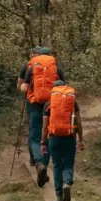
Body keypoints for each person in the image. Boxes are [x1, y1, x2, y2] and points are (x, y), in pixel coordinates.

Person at [19, 47, 63, 185]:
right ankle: (44, 164)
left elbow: (24, 88)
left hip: (35, 106)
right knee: (49, 135)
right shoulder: (57, 68)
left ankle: (39, 164)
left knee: (35, 136)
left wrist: (30, 89)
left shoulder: (32, 67)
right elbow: (63, 89)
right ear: (50, 56)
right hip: (52, 106)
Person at [40, 76, 84, 201]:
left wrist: (43, 143)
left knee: (57, 166)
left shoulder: (48, 105)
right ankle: (67, 183)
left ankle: (59, 196)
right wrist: (80, 139)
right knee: (68, 164)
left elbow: (44, 127)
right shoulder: (72, 102)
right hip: (69, 137)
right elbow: (79, 123)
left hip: (54, 138)